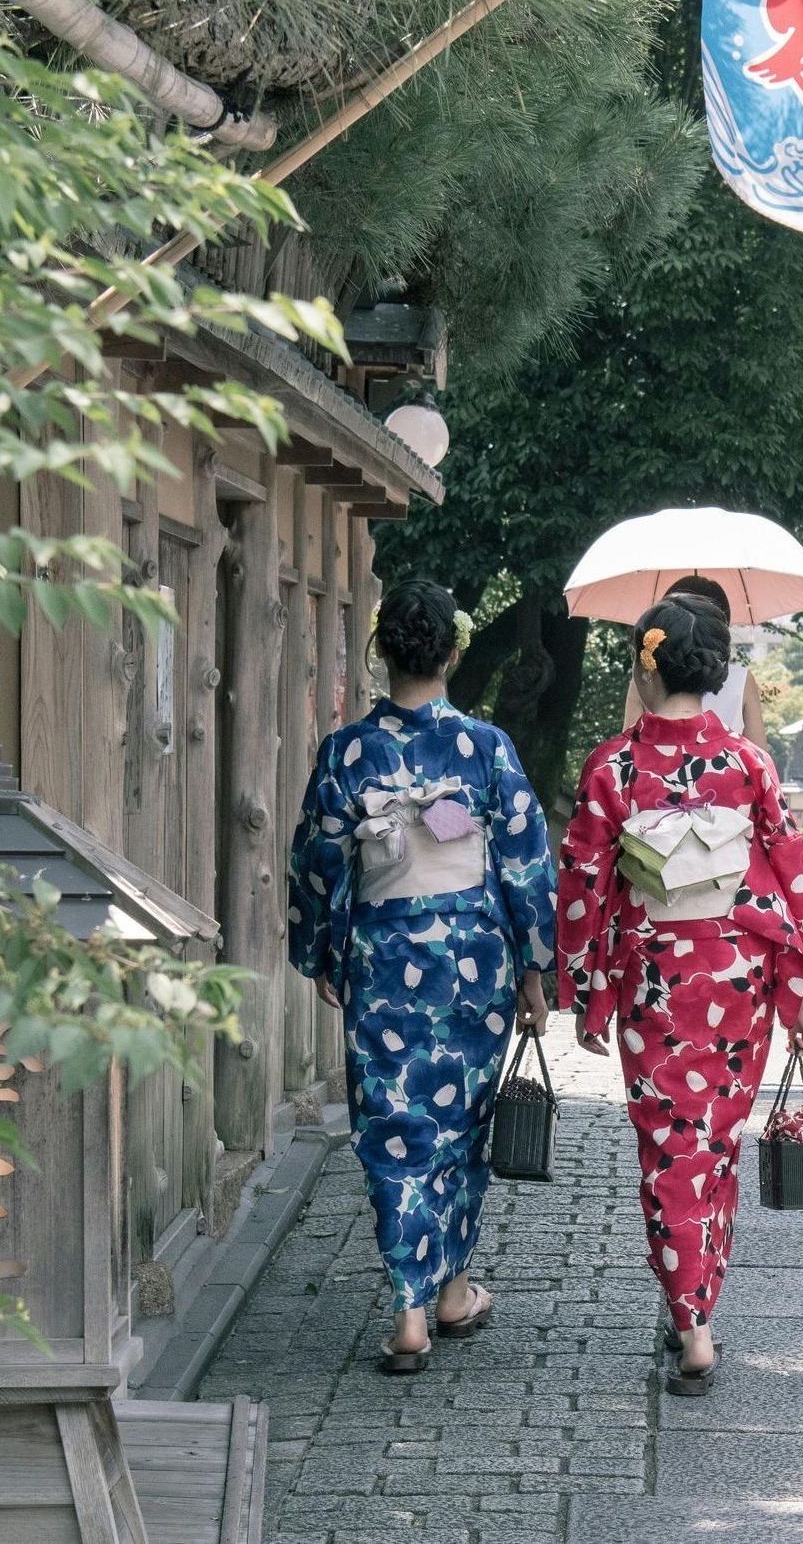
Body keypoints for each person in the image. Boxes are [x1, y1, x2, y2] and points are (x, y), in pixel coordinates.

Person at [558, 593, 803, 1396]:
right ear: (714, 677)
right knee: (714, 1143)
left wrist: (587, 986)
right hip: (739, 971)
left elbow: (584, 885)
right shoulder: (748, 764)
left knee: (669, 1147)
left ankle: (691, 1317)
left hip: (654, 974)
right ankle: (696, 1303)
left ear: (647, 667)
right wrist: (799, 989)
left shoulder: (613, 767)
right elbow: (791, 869)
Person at [288, 579, 556, 1374]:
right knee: (462, 1127)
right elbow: (525, 864)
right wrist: (534, 970)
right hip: (472, 964)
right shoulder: (485, 747)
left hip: (384, 962)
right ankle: (456, 1288)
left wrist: (323, 952)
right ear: (453, 650)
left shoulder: (347, 752)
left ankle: (413, 1307)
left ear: (381, 650)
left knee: (393, 1130)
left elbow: (317, 862)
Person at [621, 574, 769, 749]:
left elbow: (627, 744)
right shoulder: (742, 679)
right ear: (719, 628)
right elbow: (759, 750)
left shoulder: (648, 673)